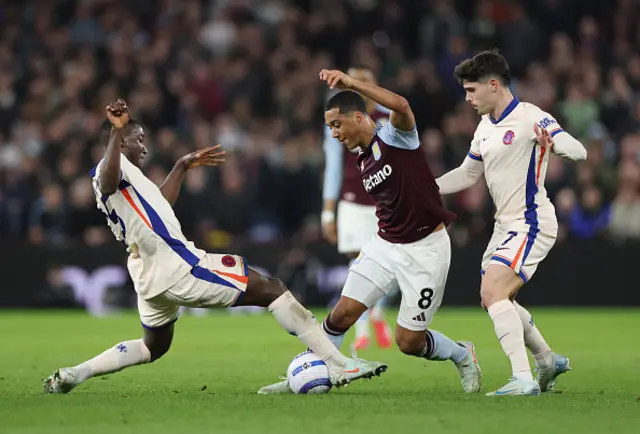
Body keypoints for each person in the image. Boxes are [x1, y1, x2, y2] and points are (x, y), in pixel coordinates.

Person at [43, 99, 387, 394]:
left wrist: (181, 166)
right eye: (139, 140)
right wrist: (118, 132)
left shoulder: (132, 178)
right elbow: (106, 179)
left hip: (147, 273)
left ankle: (78, 372)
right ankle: (339, 363)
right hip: (177, 264)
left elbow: (160, 205)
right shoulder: (110, 168)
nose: (144, 146)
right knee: (271, 288)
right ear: (120, 142)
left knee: (154, 346)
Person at [258, 70, 482, 394]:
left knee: (409, 341)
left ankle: (463, 355)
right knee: (341, 314)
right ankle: (305, 373)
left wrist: (351, 84)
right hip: (386, 244)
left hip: (426, 250)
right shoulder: (362, 159)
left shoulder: (395, 137)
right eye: (329, 128)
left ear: (359, 116)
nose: (334, 134)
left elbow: (402, 105)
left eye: (337, 124)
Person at [436, 50, 586, 396]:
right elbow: (468, 173)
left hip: (532, 222)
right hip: (505, 225)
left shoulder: (530, 117)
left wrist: (555, 145)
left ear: (493, 85)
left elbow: (579, 151)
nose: (468, 98)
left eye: (472, 90)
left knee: (492, 291)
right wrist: (426, 188)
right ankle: (548, 360)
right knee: (495, 298)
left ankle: (522, 378)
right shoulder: (485, 127)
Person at [321, 65, 393, 351]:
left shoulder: (389, 120)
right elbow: (333, 168)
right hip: (351, 199)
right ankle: (363, 329)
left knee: (387, 265)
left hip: (383, 200)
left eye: (364, 81)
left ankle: (376, 312)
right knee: (358, 263)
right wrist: (328, 213)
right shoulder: (337, 122)